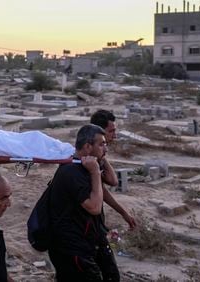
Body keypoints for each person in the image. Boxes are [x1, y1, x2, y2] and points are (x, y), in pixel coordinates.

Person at [47, 124, 119, 281]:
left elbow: (113, 181)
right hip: (72, 247)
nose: (106, 148)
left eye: (105, 144)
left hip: (90, 241)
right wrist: (94, 173)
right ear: (87, 146)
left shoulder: (86, 164)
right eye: (101, 144)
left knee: (112, 276)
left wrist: (101, 156)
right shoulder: (71, 172)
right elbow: (94, 207)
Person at [90, 109, 136, 230]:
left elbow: (111, 182)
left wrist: (102, 156)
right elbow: (111, 182)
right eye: (111, 131)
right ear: (99, 132)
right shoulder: (86, 160)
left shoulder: (95, 157)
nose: (114, 136)